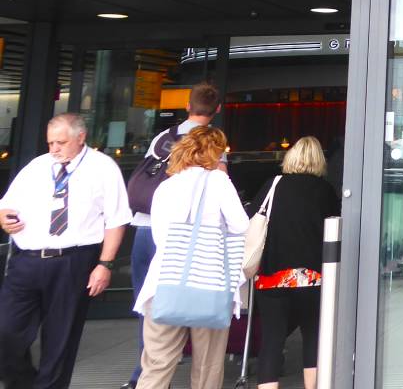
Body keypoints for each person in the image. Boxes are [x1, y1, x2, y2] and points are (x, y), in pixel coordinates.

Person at [0, 112, 131, 389]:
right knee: (6, 332)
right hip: (28, 259)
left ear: (80, 138)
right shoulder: (38, 166)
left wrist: (104, 265)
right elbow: (6, 204)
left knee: (60, 340)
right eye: (50, 143)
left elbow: (116, 220)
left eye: (60, 142)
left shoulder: (103, 168)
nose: (54, 149)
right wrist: (4, 217)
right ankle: (24, 382)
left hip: (73, 260)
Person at [122, 81, 224, 389]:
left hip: (146, 230)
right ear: (217, 109)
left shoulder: (164, 138)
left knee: (152, 307)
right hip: (189, 240)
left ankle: (146, 373)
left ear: (187, 106)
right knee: (198, 308)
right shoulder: (211, 144)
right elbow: (222, 193)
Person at [134, 126, 248, 389]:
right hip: (208, 283)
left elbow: (160, 236)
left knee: (156, 365)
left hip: (163, 284)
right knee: (207, 366)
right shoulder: (218, 181)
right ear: (214, 153)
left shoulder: (166, 186)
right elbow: (240, 225)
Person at [251, 136, 341, 389]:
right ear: (319, 161)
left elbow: (253, 222)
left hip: (272, 277)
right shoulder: (325, 191)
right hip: (312, 277)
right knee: (313, 338)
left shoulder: (272, 185)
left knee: (271, 341)